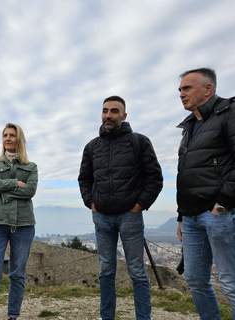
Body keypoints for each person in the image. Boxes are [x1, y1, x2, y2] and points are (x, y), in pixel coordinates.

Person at [176, 67, 235, 320]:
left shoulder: (234, 112)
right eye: (180, 89)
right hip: (193, 217)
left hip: (226, 214)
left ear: (208, 88)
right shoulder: (191, 126)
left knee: (233, 285)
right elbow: (187, 174)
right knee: (195, 280)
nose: (181, 94)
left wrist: (222, 205)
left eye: (187, 88)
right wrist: (181, 216)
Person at [78, 96, 163, 320]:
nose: (108, 115)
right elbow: (84, 179)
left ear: (124, 116)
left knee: (137, 272)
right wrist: (91, 203)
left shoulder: (139, 141)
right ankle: (107, 317)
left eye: (114, 111)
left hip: (130, 216)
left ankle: (143, 317)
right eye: (105, 111)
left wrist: (139, 205)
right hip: (102, 217)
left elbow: (154, 178)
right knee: (106, 272)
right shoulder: (92, 146)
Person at [0, 123, 38, 320]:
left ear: (19, 139)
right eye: (5, 135)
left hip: (24, 225)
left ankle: (13, 316)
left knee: (17, 275)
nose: (8, 138)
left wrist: (3, 191)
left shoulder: (31, 167)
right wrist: (14, 184)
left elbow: (30, 190)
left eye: (12, 135)